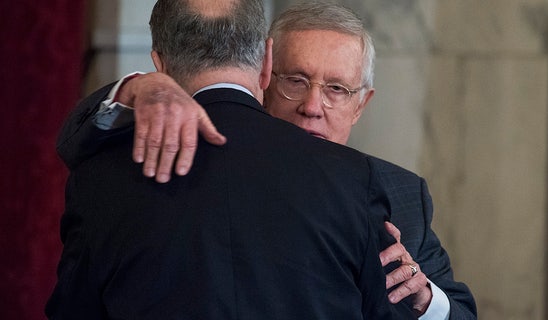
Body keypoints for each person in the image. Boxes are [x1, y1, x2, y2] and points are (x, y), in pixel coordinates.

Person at [56, 2, 477, 319]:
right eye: (295, 81)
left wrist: (426, 301)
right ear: (265, 72)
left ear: (362, 104)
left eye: (336, 89)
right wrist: (136, 87)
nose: (313, 106)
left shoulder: (392, 191)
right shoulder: (138, 160)